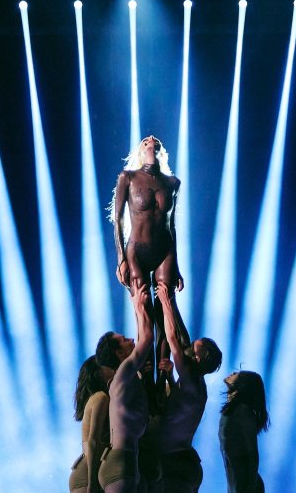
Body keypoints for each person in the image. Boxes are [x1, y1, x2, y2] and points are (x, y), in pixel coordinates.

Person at [111, 136, 188, 403]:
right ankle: (144, 379)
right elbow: (118, 220)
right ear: (140, 150)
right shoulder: (128, 177)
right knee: (143, 311)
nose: (150, 142)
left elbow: (172, 225)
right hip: (137, 252)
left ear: (160, 150)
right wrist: (121, 258)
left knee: (165, 309)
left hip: (164, 249)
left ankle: (163, 378)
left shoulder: (172, 183)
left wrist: (176, 264)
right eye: (145, 142)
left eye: (154, 142)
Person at [155, 281, 223, 493]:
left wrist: (166, 301)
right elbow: (183, 338)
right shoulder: (194, 383)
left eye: (193, 347)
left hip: (174, 462)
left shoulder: (192, 379)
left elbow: (175, 339)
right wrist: (168, 377)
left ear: (197, 359)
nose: (189, 344)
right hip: (181, 459)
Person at [95, 284, 154, 493]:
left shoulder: (126, 377)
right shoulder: (123, 373)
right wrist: (138, 304)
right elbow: (146, 339)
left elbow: (141, 340)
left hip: (124, 461)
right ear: (119, 354)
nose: (131, 340)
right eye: (124, 340)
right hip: (120, 463)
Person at [219, 371, 269, 493]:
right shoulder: (233, 407)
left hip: (245, 484)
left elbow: (253, 454)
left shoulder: (243, 411)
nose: (234, 372)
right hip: (235, 480)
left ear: (243, 384)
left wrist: (250, 487)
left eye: (239, 374)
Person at [69, 356, 114, 493]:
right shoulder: (101, 397)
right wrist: (92, 482)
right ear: (98, 373)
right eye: (107, 365)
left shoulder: (97, 398)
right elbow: (93, 441)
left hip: (88, 471)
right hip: (87, 475)